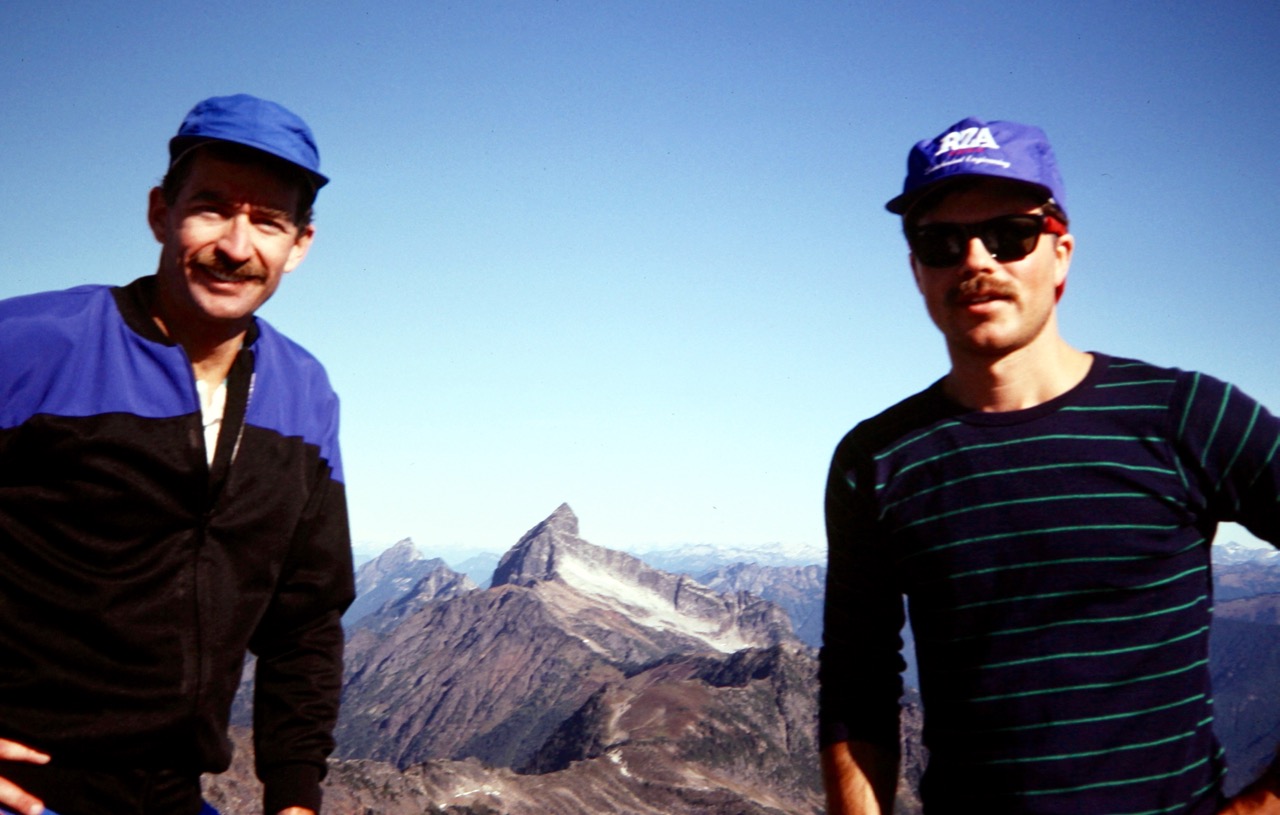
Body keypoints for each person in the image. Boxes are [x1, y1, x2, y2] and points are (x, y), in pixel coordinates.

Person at [819, 117, 1280, 814]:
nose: (976, 260)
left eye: (1010, 235)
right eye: (941, 241)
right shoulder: (876, 459)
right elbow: (858, 683)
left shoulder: (1186, 416)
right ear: (917, 269)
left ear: (1060, 255)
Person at [0, 94, 355, 815]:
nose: (236, 245)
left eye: (268, 221)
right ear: (161, 213)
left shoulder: (305, 394)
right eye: (212, 208)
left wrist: (294, 797)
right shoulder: (30, 344)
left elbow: (306, 619)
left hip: (171, 797)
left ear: (300, 245)